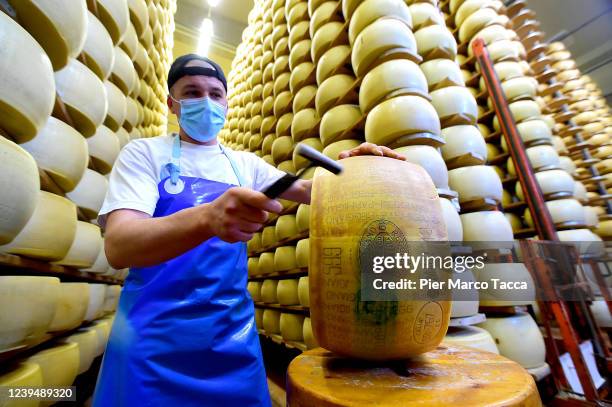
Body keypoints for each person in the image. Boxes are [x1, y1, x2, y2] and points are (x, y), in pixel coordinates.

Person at [92, 54, 405, 407]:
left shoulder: (244, 165)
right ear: (172, 104)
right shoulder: (144, 155)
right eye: (192, 92)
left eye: (215, 93)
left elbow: (314, 189)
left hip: (229, 335)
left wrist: (357, 167)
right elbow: (119, 246)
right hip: (152, 339)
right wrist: (207, 218)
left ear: (226, 103)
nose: (206, 102)